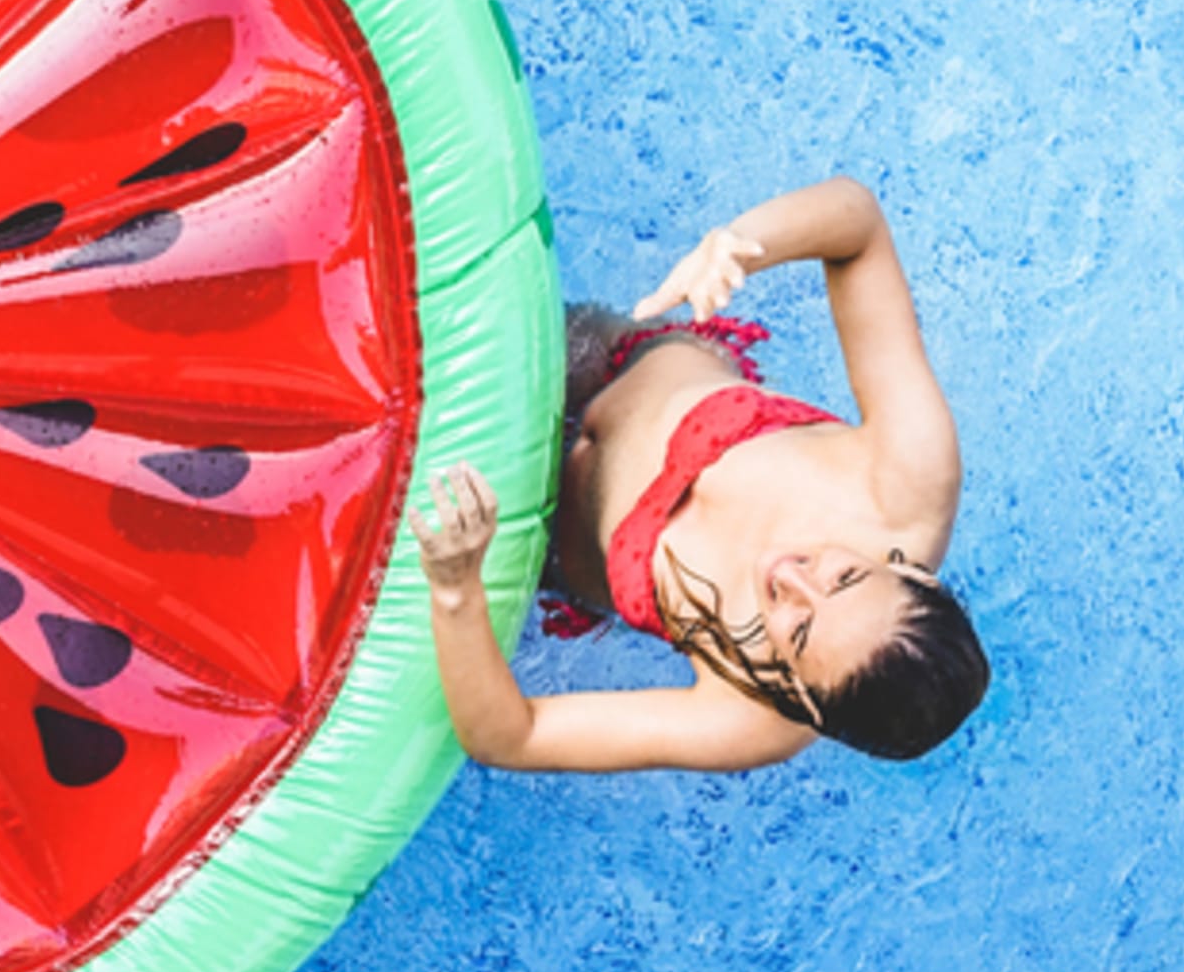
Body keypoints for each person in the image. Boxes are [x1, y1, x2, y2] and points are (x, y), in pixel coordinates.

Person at [413, 178, 985, 771]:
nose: (791, 577)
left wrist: (456, 589)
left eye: (799, 631)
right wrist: (739, 241)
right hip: (603, 361)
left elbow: (512, 737)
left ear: (805, 700)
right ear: (915, 574)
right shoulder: (907, 477)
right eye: (844, 575)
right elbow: (858, 228)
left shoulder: (746, 717)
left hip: (537, 531)